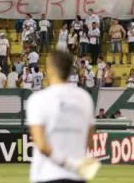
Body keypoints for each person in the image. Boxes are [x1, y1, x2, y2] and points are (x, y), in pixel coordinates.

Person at [26, 50, 99, 183]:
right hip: (76, 176)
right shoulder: (84, 98)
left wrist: (67, 163)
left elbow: (41, 144)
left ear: (50, 69)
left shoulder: (38, 99)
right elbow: (89, 139)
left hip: (46, 175)